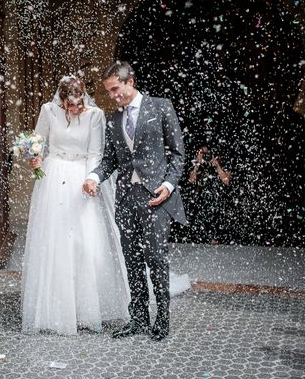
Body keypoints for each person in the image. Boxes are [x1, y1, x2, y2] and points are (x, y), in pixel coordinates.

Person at [83, 61, 186, 341]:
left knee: (156, 259)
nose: (113, 96)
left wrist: (167, 186)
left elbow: (178, 155)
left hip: (156, 198)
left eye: (115, 89)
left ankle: (162, 318)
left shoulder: (161, 106)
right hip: (126, 201)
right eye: (108, 92)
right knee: (132, 260)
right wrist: (94, 177)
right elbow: (110, 160)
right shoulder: (114, 119)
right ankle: (138, 318)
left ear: (130, 81)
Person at [21, 76, 129, 335]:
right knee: (55, 241)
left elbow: (95, 152)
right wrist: (33, 159)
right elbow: (35, 141)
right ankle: (55, 308)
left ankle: (86, 307)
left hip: (82, 175)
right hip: (54, 176)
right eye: (71, 106)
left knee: (85, 241)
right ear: (62, 99)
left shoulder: (95, 115)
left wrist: (91, 179)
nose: (75, 110)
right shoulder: (48, 110)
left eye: (79, 105)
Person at [187, 143, 233, 244]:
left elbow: (226, 180)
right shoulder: (197, 162)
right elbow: (191, 180)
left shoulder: (222, 160)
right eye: (204, 152)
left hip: (219, 201)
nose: (206, 155)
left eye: (207, 152)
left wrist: (217, 166)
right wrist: (197, 163)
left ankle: (214, 238)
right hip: (200, 200)